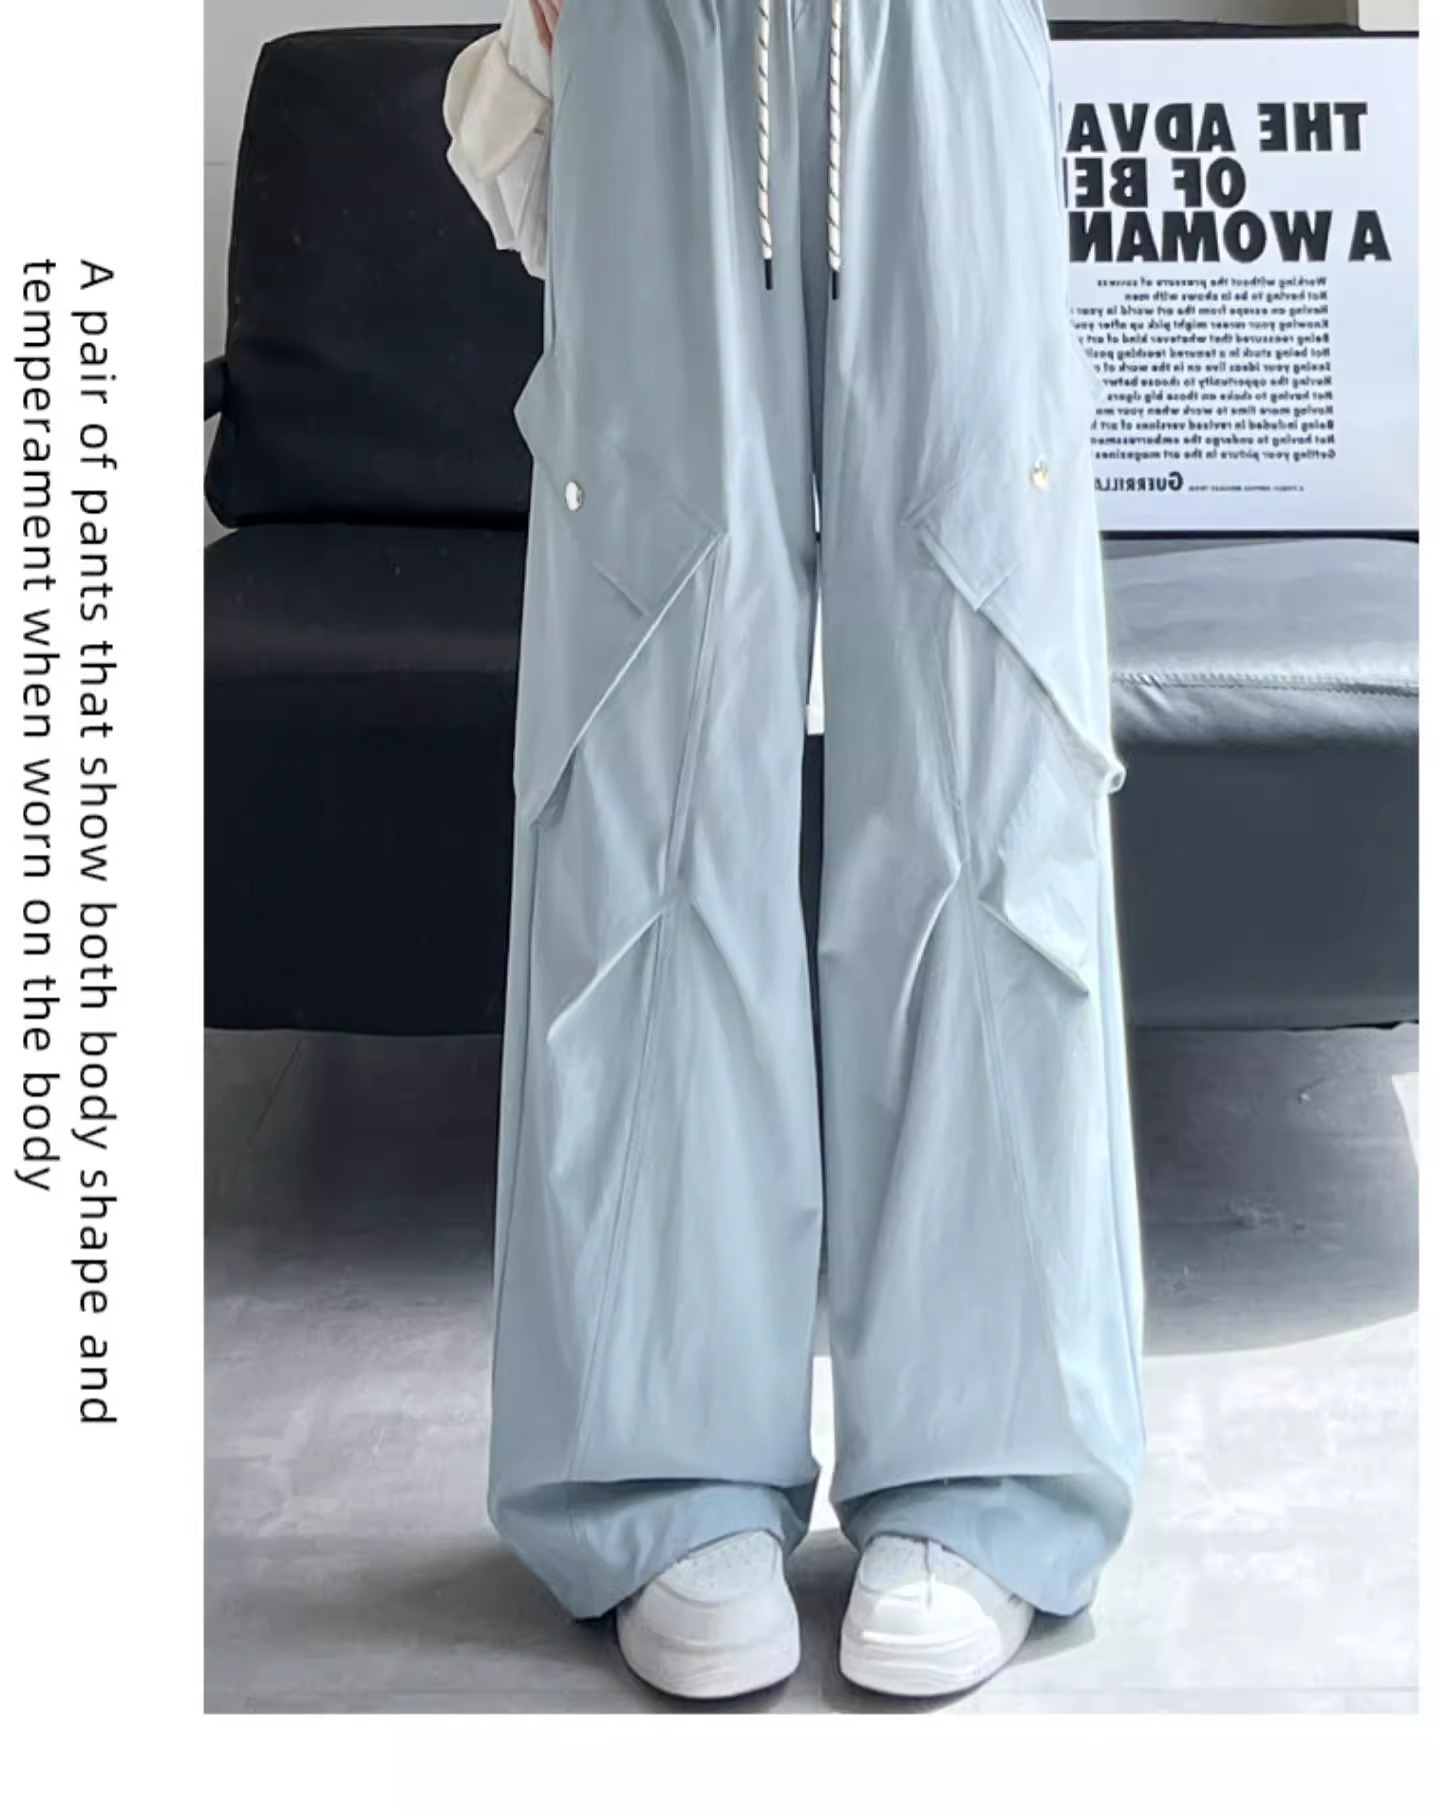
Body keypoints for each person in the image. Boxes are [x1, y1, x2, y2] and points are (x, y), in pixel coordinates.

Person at [445, 0, 1145, 1703]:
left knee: (983, 732)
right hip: (656, 48)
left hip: (945, 45)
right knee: (649, 729)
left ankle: (987, 1468)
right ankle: (656, 1464)